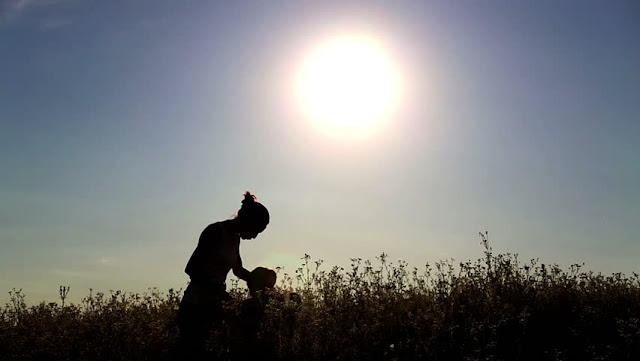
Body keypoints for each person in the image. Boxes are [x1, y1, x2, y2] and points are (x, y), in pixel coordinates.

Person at [177, 191, 270, 361]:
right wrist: (219, 293)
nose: (255, 236)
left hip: (214, 307)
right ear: (247, 220)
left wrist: (261, 283)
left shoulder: (235, 239)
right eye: (256, 230)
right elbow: (192, 269)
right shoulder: (215, 231)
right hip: (194, 307)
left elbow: (238, 270)